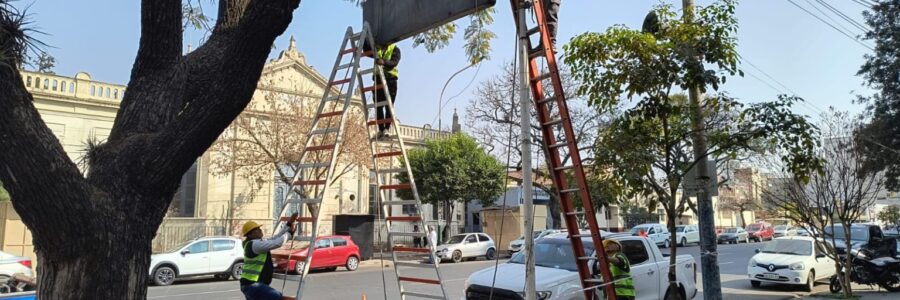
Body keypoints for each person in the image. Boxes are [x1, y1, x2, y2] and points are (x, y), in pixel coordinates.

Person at [239, 215, 297, 300]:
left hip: (250, 284)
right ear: (250, 234)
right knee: (279, 298)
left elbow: (275, 238)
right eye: (257, 229)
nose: (260, 230)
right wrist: (289, 234)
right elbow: (277, 243)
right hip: (253, 285)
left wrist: (288, 224)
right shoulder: (256, 244)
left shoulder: (254, 243)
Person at [364, 42, 401, 139]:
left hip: (390, 80)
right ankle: (381, 129)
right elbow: (367, 52)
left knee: (388, 106)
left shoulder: (395, 49)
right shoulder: (378, 49)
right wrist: (365, 39)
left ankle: (386, 129)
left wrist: (383, 62)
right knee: (378, 106)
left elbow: (394, 62)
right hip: (378, 79)